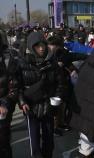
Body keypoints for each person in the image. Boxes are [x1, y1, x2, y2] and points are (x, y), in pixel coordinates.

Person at [16, 32, 67, 158]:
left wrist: (58, 97)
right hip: (31, 107)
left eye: (43, 45)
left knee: (49, 141)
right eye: (37, 46)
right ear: (31, 47)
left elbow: (60, 83)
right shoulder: (22, 62)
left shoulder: (52, 62)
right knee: (34, 143)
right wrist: (22, 102)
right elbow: (17, 85)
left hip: (48, 106)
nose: (41, 48)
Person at [0, 28, 18, 158]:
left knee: (4, 142)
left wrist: (5, 104)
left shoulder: (7, 58)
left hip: (3, 110)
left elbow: (14, 86)